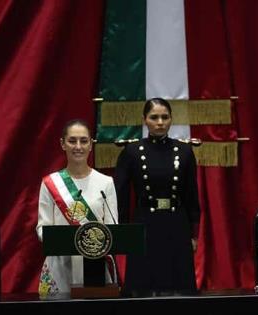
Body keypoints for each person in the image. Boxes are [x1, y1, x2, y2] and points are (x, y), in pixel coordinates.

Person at [114, 97, 200, 295]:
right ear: (145, 120)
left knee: (179, 287)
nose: (160, 122)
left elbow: (191, 196)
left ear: (171, 119)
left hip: (176, 223)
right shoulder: (132, 152)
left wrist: (193, 234)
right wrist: (124, 232)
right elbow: (121, 197)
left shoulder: (185, 151)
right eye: (154, 117)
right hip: (144, 224)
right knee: (142, 286)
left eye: (165, 117)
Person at [36, 119, 118, 296]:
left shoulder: (106, 183)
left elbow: (113, 229)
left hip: (95, 266)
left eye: (84, 141)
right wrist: (64, 239)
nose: (78, 146)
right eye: (72, 141)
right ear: (62, 144)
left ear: (91, 144)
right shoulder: (50, 183)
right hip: (60, 264)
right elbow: (42, 229)